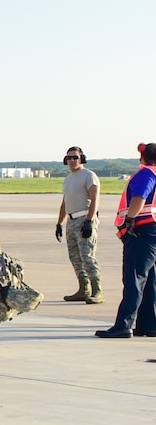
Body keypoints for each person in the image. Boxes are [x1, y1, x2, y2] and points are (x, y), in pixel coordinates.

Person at [95, 141, 156, 338]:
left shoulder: (146, 173)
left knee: (134, 278)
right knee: (149, 279)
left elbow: (140, 197)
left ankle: (124, 325)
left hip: (142, 231)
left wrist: (130, 219)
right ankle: (149, 324)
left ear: (142, 156)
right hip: (152, 231)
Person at [57, 146, 103, 303]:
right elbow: (64, 204)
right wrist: (59, 223)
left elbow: (95, 200)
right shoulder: (68, 179)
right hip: (71, 221)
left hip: (84, 219)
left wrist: (89, 221)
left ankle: (97, 290)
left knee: (87, 256)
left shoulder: (89, 176)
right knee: (75, 257)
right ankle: (84, 289)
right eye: (69, 158)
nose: (72, 160)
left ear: (82, 159)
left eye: (75, 157)